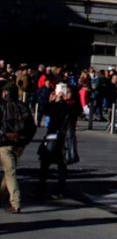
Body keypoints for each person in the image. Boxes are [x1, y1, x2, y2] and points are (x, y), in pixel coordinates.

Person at [36, 83, 81, 199]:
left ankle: (59, 190)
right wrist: (51, 101)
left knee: (62, 165)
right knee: (44, 163)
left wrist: (61, 101)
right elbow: (45, 111)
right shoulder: (57, 104)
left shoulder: (73, 106)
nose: (65, 94)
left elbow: (67, 113)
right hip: (52, 137)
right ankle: (40, 188)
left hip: (64, 139)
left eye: (68, 92)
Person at [0, 81, 37, 213]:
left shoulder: (2, 106)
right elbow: (32, 127)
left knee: (10, 173)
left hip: (3, 144)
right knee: (9, 171)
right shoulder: (23, 106)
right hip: (19, 145)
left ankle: (15, 203)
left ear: (5, 93)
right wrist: (24, 141)